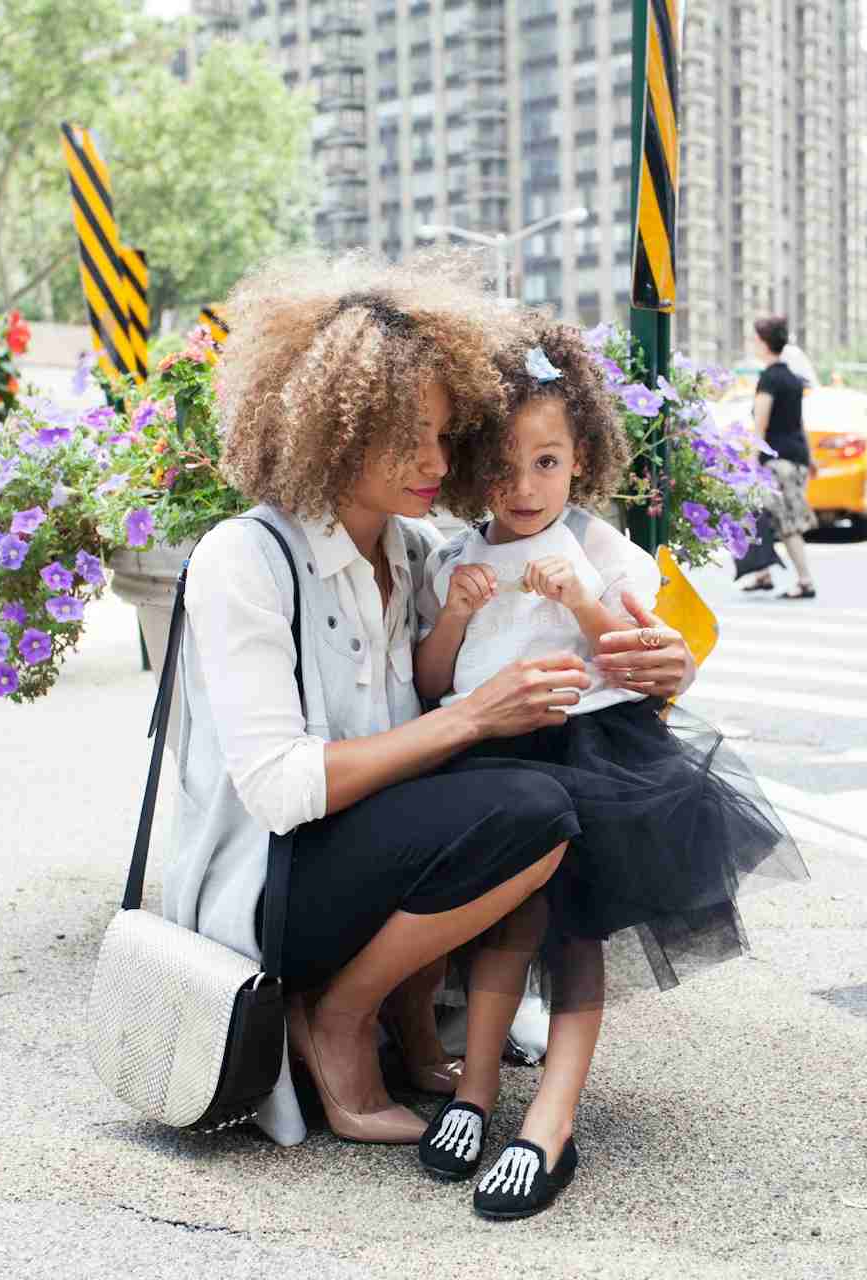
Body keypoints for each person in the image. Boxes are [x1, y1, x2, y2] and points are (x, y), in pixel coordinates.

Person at [168, 252, 701, 1154]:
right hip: (274, 888)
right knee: (531, 806)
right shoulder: (244, 559)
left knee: (542, 795)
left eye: (447, 436)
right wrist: (472, 716)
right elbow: (280, 790)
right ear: (332, 432)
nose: (436, 461)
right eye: (404, 436)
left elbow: (558, 631)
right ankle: (337, 1016)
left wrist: (667, 665)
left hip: (375, 865)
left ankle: (411, 1027)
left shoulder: (420, 554)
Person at [411, 318, 808, 1219]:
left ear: (580, 457)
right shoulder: (456, 556)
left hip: (594, 757)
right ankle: (475, 1092)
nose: (523, 487)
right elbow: (434, 682)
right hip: (490, 755)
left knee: (574, 931)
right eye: (504, 468)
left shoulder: (601, 549)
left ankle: (552, 1116)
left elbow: (641, 655)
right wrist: (455, 619)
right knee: (500, 927)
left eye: (545, 464)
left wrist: (582, 601)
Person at [751, 315, 818, 600]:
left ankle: (805, 581)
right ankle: (762, 574)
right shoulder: (792, 378)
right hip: (797, 458)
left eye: (755, 339)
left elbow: (761, 423)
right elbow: (799, 423)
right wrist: (811, 458)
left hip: (777, 461)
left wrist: (754, 459)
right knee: (760, 515)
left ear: (764, 343)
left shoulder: (769, 378)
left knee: (787, 522)